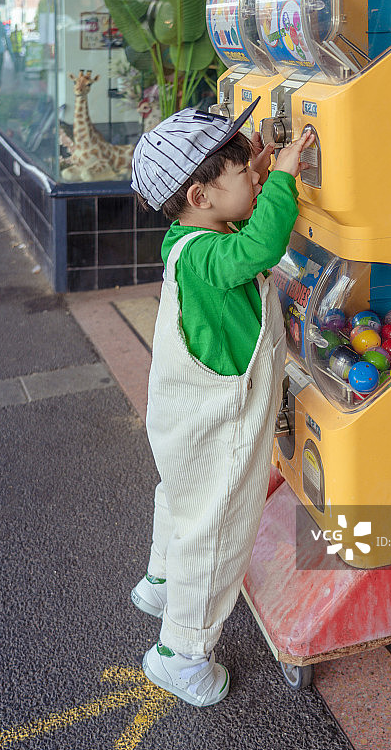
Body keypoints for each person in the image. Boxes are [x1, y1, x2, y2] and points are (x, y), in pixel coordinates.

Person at [130, 98, 314, 707]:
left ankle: (159, 581)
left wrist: (256, 169)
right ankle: (180, 653)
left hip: (183, 417)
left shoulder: (189, 238)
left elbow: (238, 225)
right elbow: (258, 251)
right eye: (243, 172)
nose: (255, 176)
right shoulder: (214, 255)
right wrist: (285, 174)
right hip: (218, 423)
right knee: (217, 529)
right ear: (202, 197)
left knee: (180, 498)